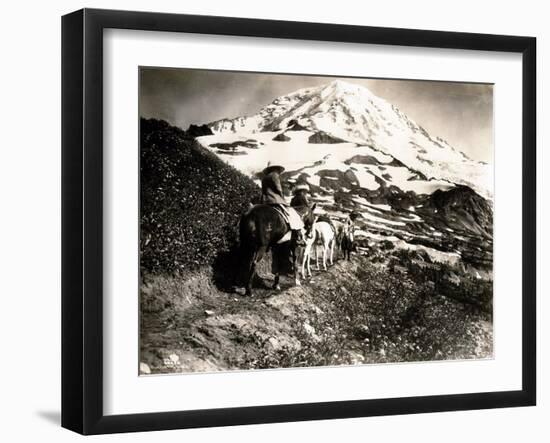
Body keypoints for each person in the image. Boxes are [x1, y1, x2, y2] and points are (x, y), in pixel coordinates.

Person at [261, 163, 304, 243]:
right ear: (276, 168)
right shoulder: (275, 175)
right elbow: (279, 189)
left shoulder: (265, 178)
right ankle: (297, 236)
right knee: (292, 213)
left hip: (264, 201)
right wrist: (282, 198)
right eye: (279, 170)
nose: (279, 172)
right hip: (274, 200)